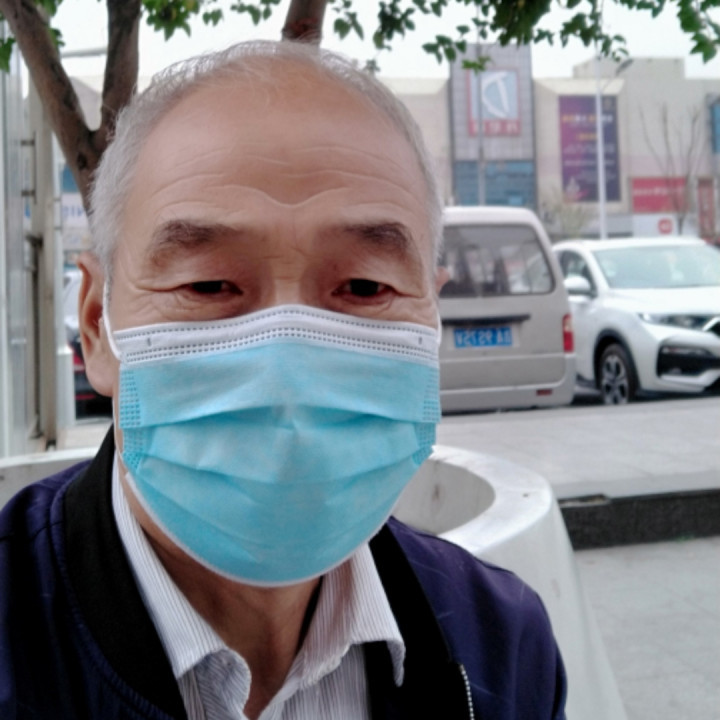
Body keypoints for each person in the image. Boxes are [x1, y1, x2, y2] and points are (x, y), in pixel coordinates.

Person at [0, 40, 566, 720]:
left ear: (431, 317)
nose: (287, 363)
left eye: (365, 286)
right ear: (97, 323)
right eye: (209, 284)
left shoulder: (501, 644)